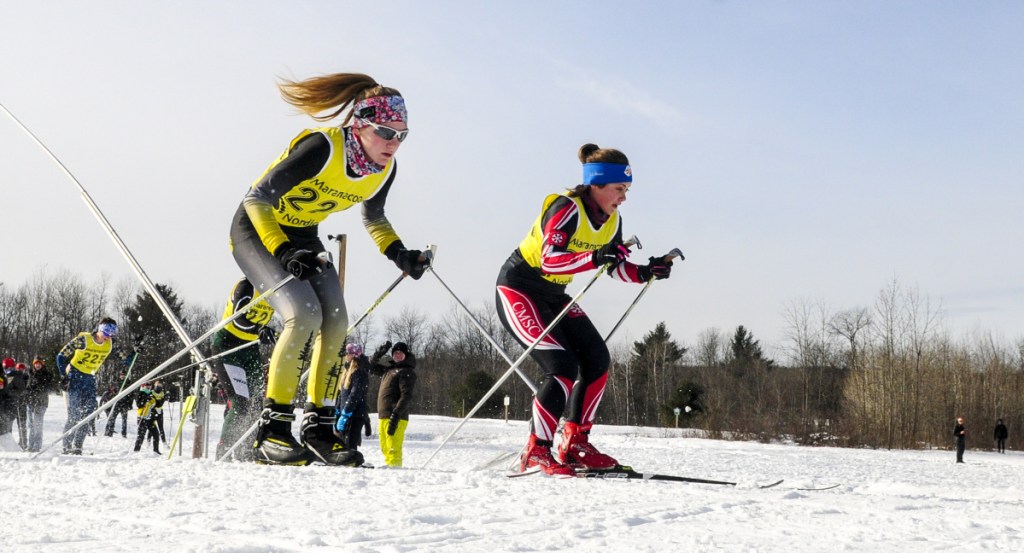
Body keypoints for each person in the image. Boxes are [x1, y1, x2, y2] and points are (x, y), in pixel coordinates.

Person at [228, 72, 428, 466]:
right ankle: (273, 431)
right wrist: (282, 251)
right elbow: (257, 198)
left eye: (403, 135)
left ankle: (318, 428)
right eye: (386, 131)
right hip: (257, 230)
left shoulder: (383, 170)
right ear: (360, 124)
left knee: (336, 321)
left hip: (302, 238)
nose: (394, 143)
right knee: (303, 314)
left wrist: (399, 253)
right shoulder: (323, 147)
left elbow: (374, 218)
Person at [495, 143, 674, 476]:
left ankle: (575, 443)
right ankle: (537, 450)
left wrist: (645, 272)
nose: (624, 197)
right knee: (560, 366)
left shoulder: (612, 220)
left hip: (553, 294)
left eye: (627, 190)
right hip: (519, 287)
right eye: (619, 189)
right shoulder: (566, 208)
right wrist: (596, 257)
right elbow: (551, 258)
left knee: (596, 359)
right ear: (597, 184)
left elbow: (613, 267)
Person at [210, 277, 276, 460]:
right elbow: (238, 319)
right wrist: (259, 329)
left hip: (250, 348)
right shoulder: (247, 286)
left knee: (257, 402)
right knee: (240, 402)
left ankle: (246, 449)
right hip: (227, 345)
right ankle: (224, 448)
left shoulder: (275, 290)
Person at [55, 318, 134, 455]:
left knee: (89, 413)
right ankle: (66, 445)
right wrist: (63, 375)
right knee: (74, 414)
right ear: (99, 329)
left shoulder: (110, 344)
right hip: (74, 374)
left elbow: (126, 361)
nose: (108, 335)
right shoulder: (84, 340)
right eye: (106, 331)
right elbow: (61, 356)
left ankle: (78, 446)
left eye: (112, 332)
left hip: (90, 378)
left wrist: (134, 351)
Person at [370, 341, 417, 468]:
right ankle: (390, 468)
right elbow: (370, 366)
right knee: (385, 447)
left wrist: (396, 414)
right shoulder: (389, 370)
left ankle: (395, 471)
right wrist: (380, 352)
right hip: (384, 415)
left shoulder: (406, 371)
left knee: (393, 448)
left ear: (405, 355)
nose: (397, 355)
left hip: (396, 416)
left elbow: (406, 396)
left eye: (400, 353)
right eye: (395, 353)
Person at [333, 343, 372, 455]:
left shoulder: (360, 373)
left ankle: (353, 463)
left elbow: (355, 394)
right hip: (345, 412)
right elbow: (342, 393)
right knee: (341, 442)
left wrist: (347, 412)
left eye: (348, 353)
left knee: (350, 443)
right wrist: (337, 409)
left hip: (356, 414)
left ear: (354, 356)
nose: (346, 355)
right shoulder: (346, 371)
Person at [25, 355, 56, 452]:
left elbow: (51, 388)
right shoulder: (28, 373)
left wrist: (41, 387)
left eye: (39, 363)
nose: (38, 365)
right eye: (36, 363)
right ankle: (30, 445)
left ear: (42, 364)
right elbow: (24, 386)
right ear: (33, 364)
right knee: (31, 425)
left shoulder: (47, 375)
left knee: (37, 425)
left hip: (41, 403)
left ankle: (37, 446)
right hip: (30, 402)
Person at [5, 361, 30, 449]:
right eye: (19, 368)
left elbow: (23, 390)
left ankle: (23, 443)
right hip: (12, 405)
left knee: (22, 425)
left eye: (22, 369)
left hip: (21, 404)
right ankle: (9, 443)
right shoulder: (10, 376)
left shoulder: (25, 377)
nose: (20, 370)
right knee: (9, 425)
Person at [133, 382, 161, 454]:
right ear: (143, 386)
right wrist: (145, 399)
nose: (148, 387)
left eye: (150, 385)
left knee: (156, 435)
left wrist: (165, 398)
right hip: (142, 418)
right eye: (147, 385)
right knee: (141, 436)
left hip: (151, 419)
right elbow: (138, 404)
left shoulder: (151, 394)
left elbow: (158, 404)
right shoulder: (140, 393)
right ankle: (136, 450)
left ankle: (156, 451)